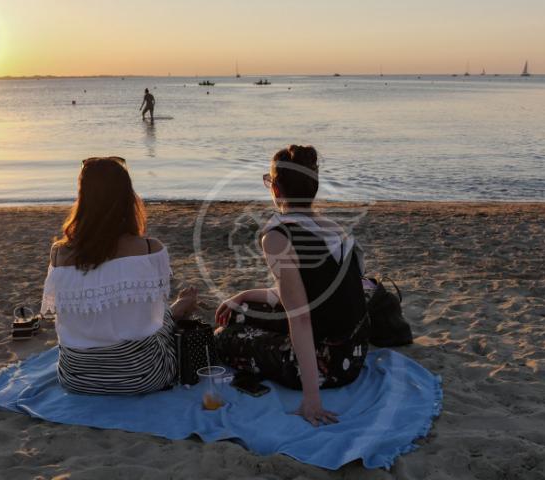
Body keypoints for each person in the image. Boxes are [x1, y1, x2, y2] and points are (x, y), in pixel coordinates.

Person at [213, 145, 370, 427]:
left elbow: (301, 317)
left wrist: (312, 399)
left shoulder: (277, 236)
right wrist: (245, 294)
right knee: (240, 310)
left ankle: (306, 383)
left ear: (275, 189)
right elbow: (318, 294)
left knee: (224, 336)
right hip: (355, 350)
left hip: (329, 363)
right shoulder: (334, 227)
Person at [40, 156, 198, 394]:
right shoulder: (149, 249)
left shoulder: (58, 254)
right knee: (163, 319)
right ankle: (179, 308)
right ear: (127, 198)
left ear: (82, 199)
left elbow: (65, 318)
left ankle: (177, 309)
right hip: (142, 376)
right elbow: (150, 318)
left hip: (76, 377)